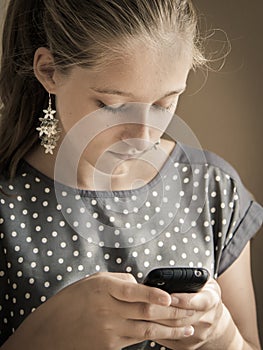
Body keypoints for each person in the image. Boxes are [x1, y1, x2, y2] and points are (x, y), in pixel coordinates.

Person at [0, 0, 262, 349]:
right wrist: (41, 339)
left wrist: (220, 335)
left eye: (164, 104)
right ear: (49, 71)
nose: (144, 136)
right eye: (113, 106)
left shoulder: (212, 189)